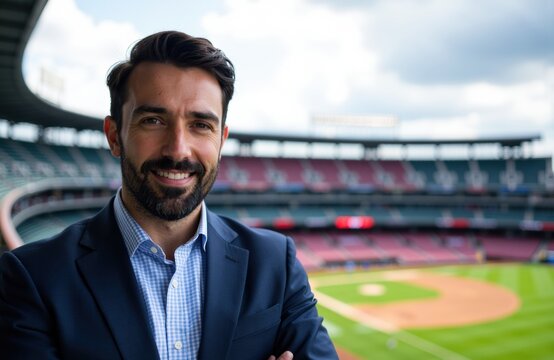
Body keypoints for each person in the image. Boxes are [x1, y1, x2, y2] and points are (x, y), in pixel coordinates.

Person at [0, 31, 338, 359]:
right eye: (153, 121)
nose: (178, 149)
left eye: (200, 125)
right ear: (114, 135)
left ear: (221, 140)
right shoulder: (32, 277)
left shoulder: (274, 262)